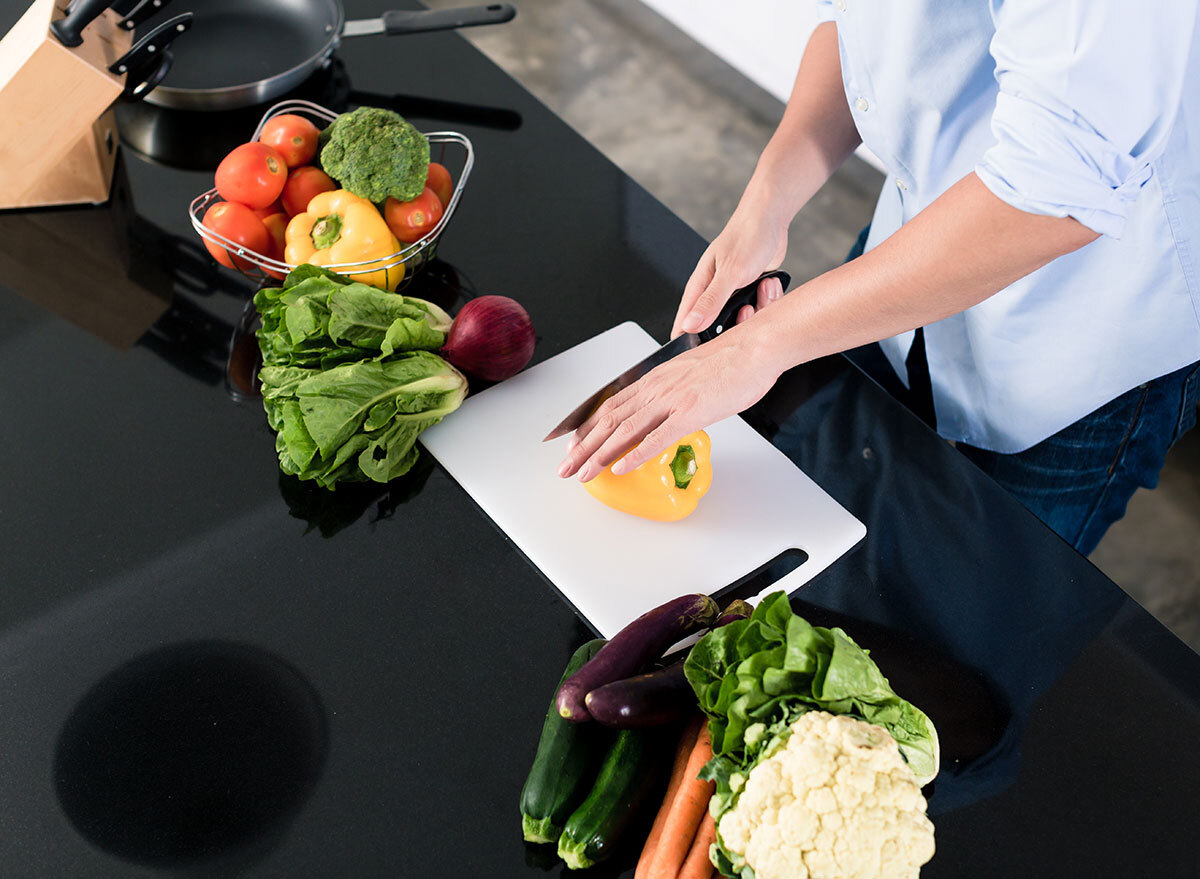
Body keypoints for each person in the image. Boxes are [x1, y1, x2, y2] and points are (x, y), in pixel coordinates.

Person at [557, 1, 1200, 555]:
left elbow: (1061, 188)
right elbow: (858, 23)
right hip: (905, 242)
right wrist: (767, 203)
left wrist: (763, 344)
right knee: (824, 517)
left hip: (1085, 327)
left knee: (983, 598)